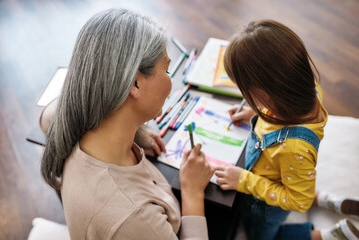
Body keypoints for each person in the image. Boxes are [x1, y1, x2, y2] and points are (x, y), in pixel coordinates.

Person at [40, 9, 214, 239]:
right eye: (167, 69)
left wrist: (137, 132)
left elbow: (46, 116)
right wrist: (193, 193)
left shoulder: (70, 122)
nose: (171, 81)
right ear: (135, 84)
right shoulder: (133, 218)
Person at [214, 20, 359, 240]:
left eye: (247, 93)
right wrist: (255, 112)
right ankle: (326, 199)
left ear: (267, 95)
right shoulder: (306, 92)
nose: (246, 98)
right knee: (302, 187)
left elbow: (298, 200)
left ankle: (331, 234)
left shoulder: (294, 148)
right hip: (290, 175)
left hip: (267, 205)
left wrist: (243, 180)